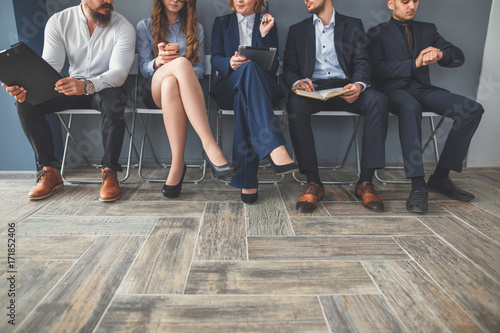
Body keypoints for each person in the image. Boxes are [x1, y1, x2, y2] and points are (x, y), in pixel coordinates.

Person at [2, 0, 135, 202]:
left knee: (116, 97)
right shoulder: (59, 21)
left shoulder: (122, 26)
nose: (109, 1)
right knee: (26, 101)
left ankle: (109, 171)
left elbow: (119, 73)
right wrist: (25, 87)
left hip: (104, 87)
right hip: (71, 87)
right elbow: (49, 68)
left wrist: (88, 85)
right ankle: (50, 170)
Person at [368, 0, 483, 213]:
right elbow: (375, 70)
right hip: (393, 91)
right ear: (391, 4)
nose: (411, 5)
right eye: (405, 1)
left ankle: (440, 177)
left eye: (415, 1)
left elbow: (458, 56)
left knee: (473, 110)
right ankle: (418, 184)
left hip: (423, 89)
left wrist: (441, 55)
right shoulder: (377, 32)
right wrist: (414, 64)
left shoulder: (428, 29)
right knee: (411, 107)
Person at [283, 0, 388, 213]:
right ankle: (313, 183)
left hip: (345, 88)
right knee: (295, 103)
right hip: (313, 90)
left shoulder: (353, 25)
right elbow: (289, 69)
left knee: (378, 100)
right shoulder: (297, 30)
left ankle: (365, 182)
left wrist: (358, 85)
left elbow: (362, 62)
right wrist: (299, 83)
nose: (306, 0)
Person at [136, 0, 238, 199]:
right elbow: (143, 67)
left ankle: (177, 164)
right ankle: (210, 146)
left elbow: (200, 69)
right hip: (152, 88)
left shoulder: (195, 28)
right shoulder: (145, 26)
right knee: (179, 66)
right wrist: (160, 61)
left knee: (172, 83)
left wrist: (182, 73)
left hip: (178, 91)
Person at [211, 0, 298, 204]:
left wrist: (264, 34)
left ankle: (247, 181)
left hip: (260, 88)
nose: (239, 0)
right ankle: (275, 147)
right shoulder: (221, 22)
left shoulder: (267, 24)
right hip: (228, 85)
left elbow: (273, 68)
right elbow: (215, 58)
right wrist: (229, 63)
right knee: (246, 72)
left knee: (246, 92)